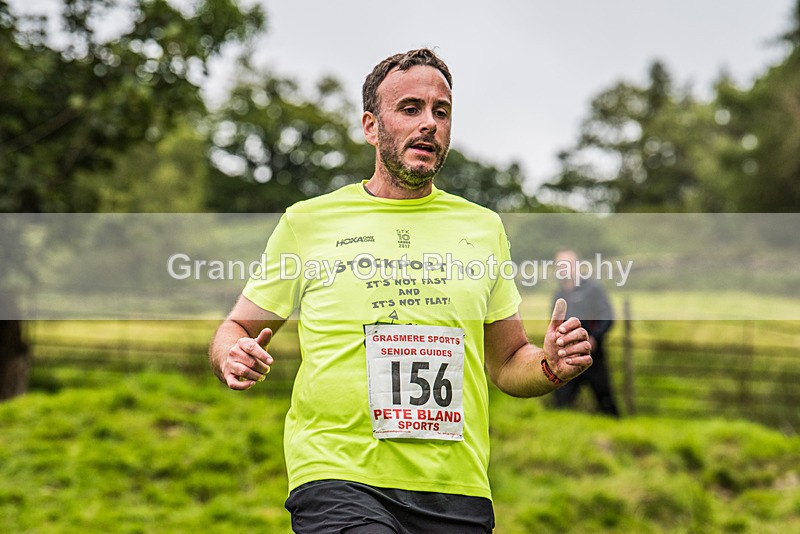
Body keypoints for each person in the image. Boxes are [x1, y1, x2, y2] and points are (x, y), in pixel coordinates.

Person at [209, 48, 592, 534]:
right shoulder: (309, 221)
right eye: (410, 109)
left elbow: (507, 360)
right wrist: (232, 354)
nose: (429, 123)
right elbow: (238, 326)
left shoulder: (483, 228)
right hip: (338, 475)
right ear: (371, 126)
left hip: (456, 488)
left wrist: (550, 366)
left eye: (442, 111)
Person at [551, 250, 620, 417]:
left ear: (577, 266)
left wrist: (595, 337)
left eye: (567, 264)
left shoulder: (593, 290)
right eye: (560, 265)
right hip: (567, 356)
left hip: (593, 355)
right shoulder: (558, 295)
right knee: (561, 401)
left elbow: (607, 317)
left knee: (605, 399)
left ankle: (617, 429)